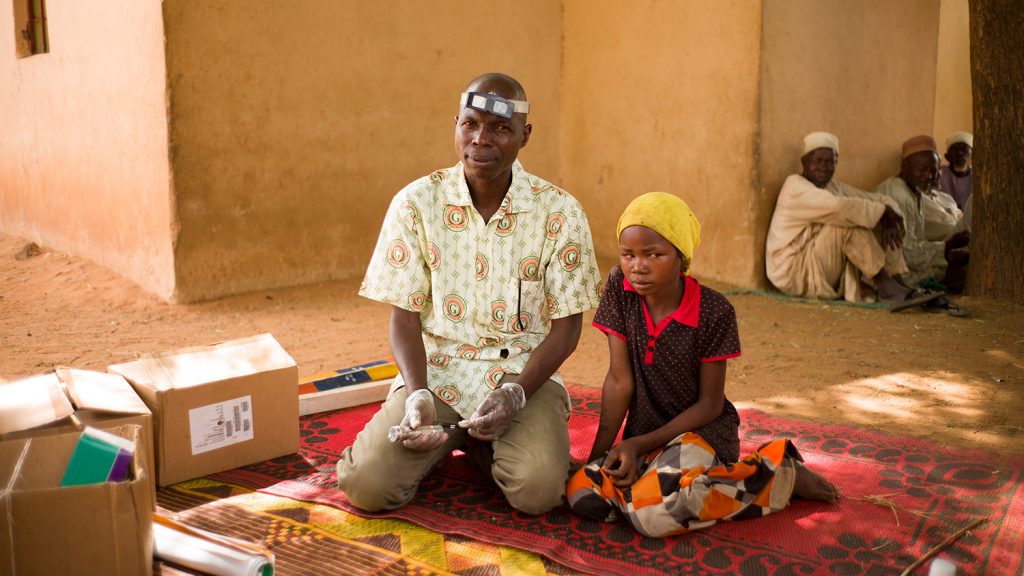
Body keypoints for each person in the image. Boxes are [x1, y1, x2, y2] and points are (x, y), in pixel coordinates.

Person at [337, 73, 602, 515]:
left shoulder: (560, 212)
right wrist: (418, 393)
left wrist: (515, 395)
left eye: (500, 128)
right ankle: (461, 438)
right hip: (437, 375)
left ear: (524, 136)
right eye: (471, 124)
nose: (481, 140)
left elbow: (567, 329)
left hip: (522, 376)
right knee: (367, 485)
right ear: (455, 124)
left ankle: (475, 444)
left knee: (537, 493)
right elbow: (404, 318)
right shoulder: (416, 203)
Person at [567, 192, 836, 538]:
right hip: (646, 439)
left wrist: (638, 444)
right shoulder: (620, 287)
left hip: (701, 434)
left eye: (654, 255)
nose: (638, 266)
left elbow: (709, 405)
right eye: (628, 255)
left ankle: (777, 474)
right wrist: (600, 456)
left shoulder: (714, 311)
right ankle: (653, 493)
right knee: (578, 491)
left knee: (652, 518)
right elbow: (620, 382)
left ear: (682, 256)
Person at [765, 132, 937, 308]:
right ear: (804, 163)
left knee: (875, 217)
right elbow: (839, 207)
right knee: (850, 221)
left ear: (836, 163)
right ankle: (886, 288)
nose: (823, 167)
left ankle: (897, 281)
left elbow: (876, 199)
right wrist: (883, 212)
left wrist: (890, 215)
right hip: (795, 272)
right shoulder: (794, 185)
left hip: (818, 265)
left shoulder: (832, 186)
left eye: (829, 162)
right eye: (818, 161)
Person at [874, 135, 970, 296]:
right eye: (922, 169)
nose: (929, 176)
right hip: (896, 274)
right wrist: (947, 248)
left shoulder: (914, 191)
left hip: (910, 263)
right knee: (961, 274)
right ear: (905, 166)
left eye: (933, 170)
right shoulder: (899, 195)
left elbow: (916, 243)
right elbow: (908, 254)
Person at [938, 131, 973, 231]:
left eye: (964, 149)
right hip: (944, 225)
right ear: (947, 157)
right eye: (955, 150)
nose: (960, 153)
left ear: (972, 155)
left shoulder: (980, 178)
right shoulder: (937, 174)